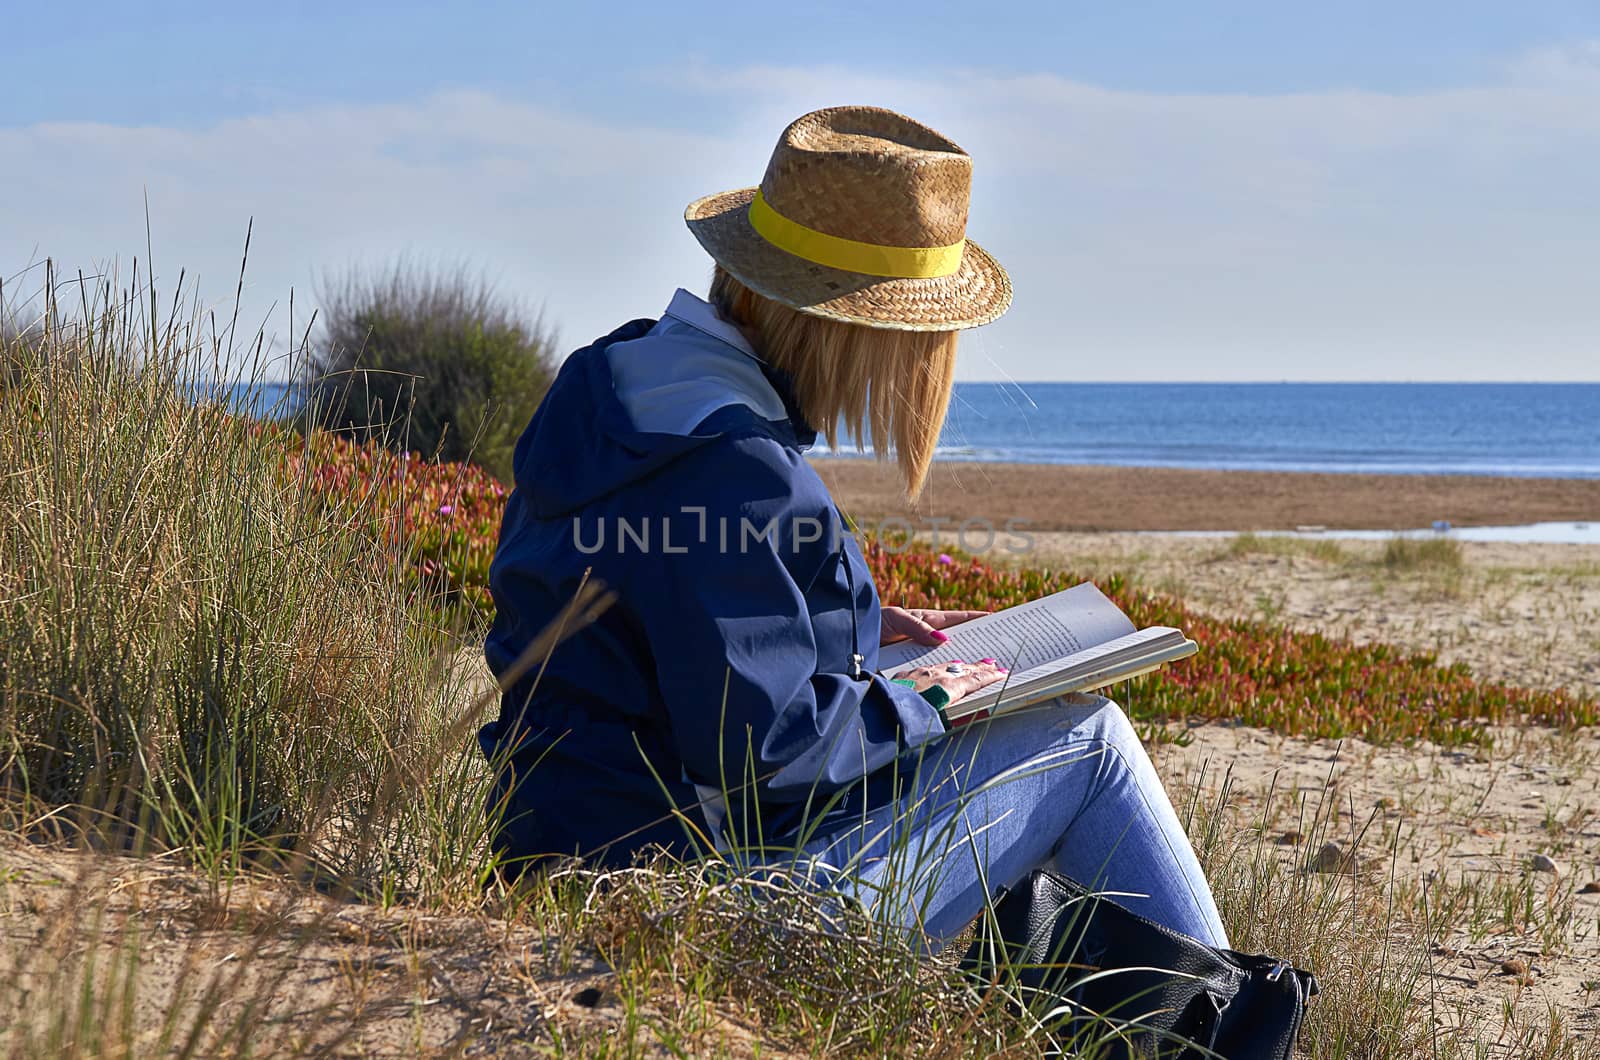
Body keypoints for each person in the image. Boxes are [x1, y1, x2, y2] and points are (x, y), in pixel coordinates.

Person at [480, 106, 1228, 952]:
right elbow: (774, 759)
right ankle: (1238, 1029)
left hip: (553, 861)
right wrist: (928, 699)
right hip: (699, 912)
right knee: (1087, 739)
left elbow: (675, 632)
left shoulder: (606, 391)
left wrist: (865, 638)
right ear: (856, 329)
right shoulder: (738, 466)